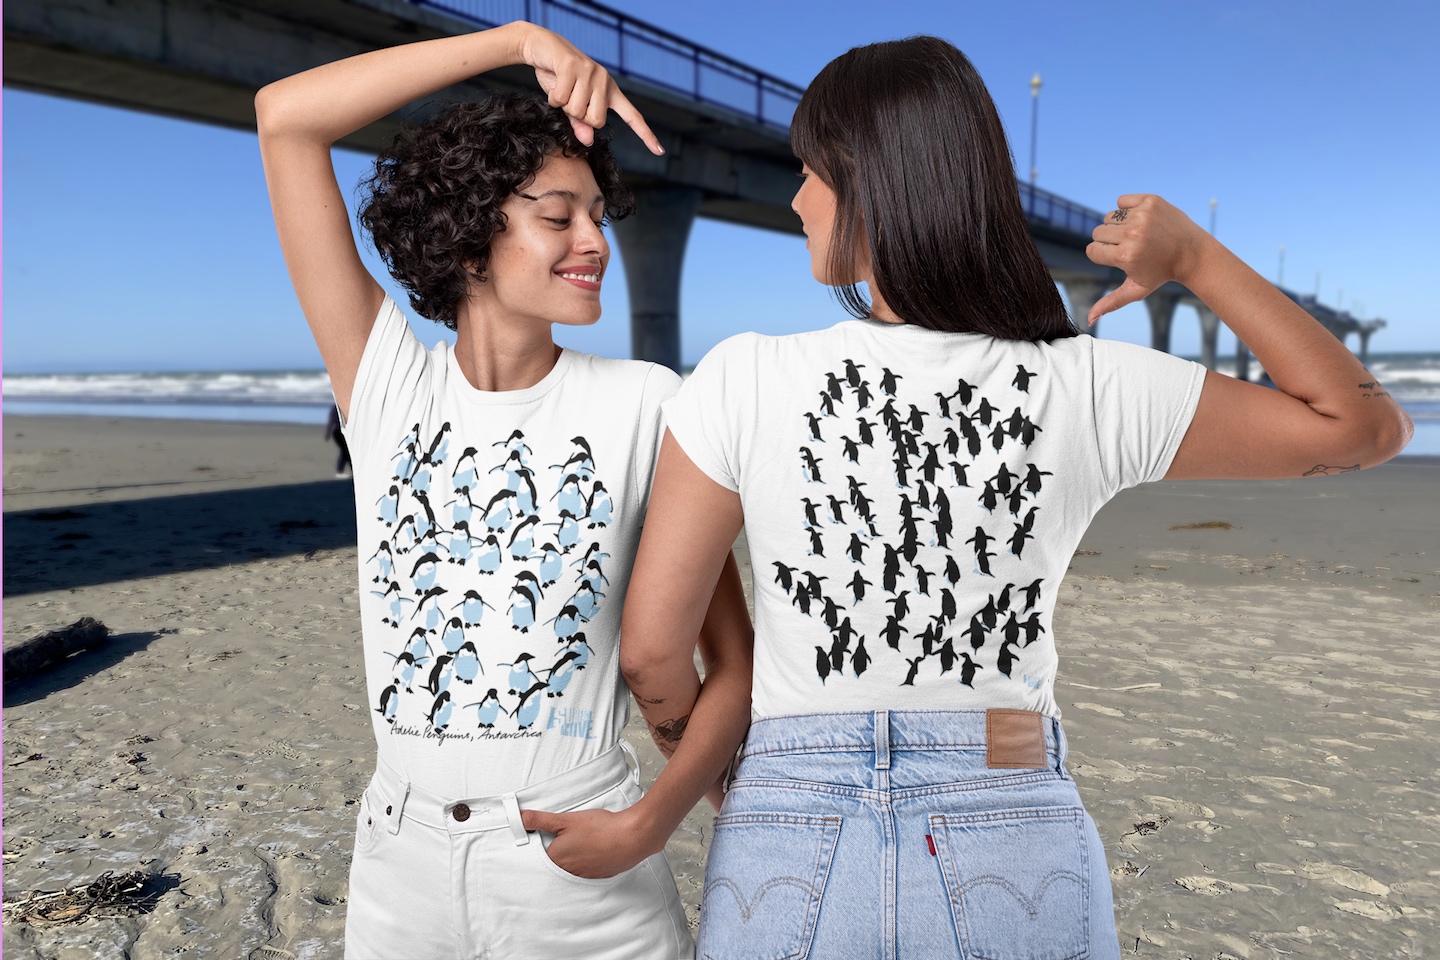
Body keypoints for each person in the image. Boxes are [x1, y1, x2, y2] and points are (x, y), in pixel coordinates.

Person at [550, 35, 1413, 958]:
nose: (798, 198)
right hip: (1006, 793)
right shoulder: (1083, 385)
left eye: (810, 172)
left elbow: (651, 653)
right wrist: (1196, 259)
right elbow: (1360, 429)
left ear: (872, 179)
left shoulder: (742, 377)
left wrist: (748, 782)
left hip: (785, 814)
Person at [255, 20, 751, 960]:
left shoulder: (650, 404)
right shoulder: (386, 380)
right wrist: (519, 41)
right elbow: (286, 119)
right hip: (398, 863)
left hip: (584, 867)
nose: (593, 240)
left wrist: (653, 823)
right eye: (557, 215)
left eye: (599, 215)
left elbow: (731, 661)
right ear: (471, 231)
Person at [325, 404, 352, 477]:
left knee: (347, 451)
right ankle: (339, 471)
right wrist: (328, 433)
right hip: (338, 432)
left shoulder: (347, 407)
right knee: (345, 450)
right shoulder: (337, 408)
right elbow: (331, 421)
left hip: (344, 432)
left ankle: (351, 470)